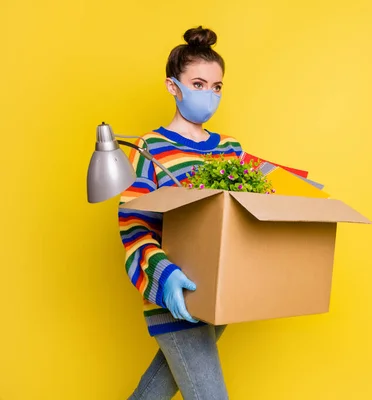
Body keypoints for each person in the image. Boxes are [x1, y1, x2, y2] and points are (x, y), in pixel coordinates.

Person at [119, 26, 242, 400]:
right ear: (173, 87)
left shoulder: (232, 151)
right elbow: (133, 223)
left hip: (221, 294)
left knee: (155, 390)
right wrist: (165, 275)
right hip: (174, 293)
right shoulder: (149, 148)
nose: (210, 95)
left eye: (217, 87)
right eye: (199, 84)